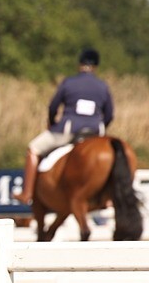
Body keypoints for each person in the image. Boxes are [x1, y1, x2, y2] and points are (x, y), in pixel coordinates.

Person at [15, 48, 115, 203]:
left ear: (80, 64)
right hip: (95, 132)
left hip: (68, 130)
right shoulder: (103, 86)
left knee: (33, 148)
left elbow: (53, 107)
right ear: (95, 66)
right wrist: (101, 127)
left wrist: (52, 123)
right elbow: (109, 114)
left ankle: (27, 193)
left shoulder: (69, 82)